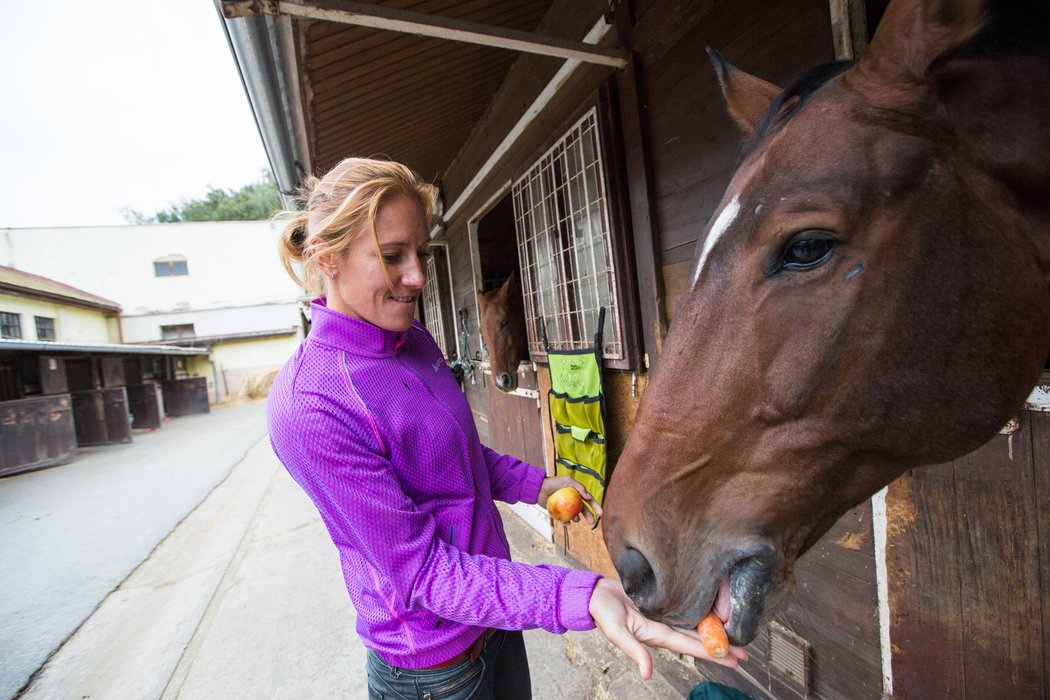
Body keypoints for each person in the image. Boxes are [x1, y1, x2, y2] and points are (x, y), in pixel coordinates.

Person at [267, 157, 746, 699]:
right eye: (392, 256)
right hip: (431, 669)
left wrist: (537, 487)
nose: (418, 278)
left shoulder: (413, 340)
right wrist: (580, 596)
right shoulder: (310, 406)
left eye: (420, 253)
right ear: (328, 257)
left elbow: (458, 455)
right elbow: (423, 574)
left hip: (496, 619)